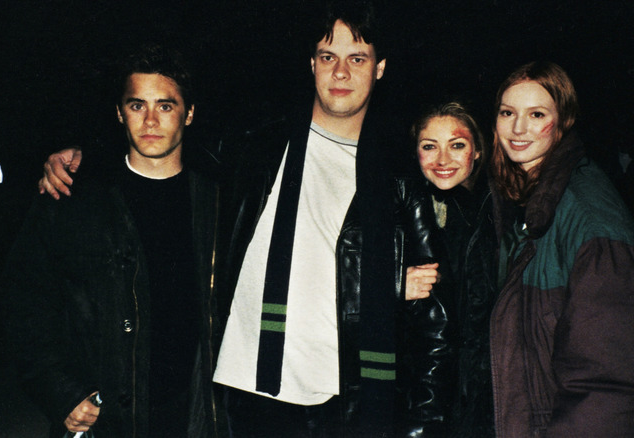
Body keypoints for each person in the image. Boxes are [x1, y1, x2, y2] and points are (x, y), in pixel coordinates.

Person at [34, 2, 451, 436]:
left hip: (340, 405)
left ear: (380, 68)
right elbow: (159, 141)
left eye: (357, 58)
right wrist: (84, 158)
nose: (341, 72)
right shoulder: (255, 150)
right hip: (240, 399)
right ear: (312, 64)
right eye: (328, 57)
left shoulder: (398, 179)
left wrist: (424, 425)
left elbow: (436, 323)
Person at [3, 45, 220, 437]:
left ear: (189, 113)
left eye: (165, 106)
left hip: (194, 418)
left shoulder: (219, 202)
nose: (150, 120)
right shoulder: (71, 198)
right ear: (120, 112)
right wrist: (61, 392)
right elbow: (23, 301)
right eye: (137, 106)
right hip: (106, 422)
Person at [489, 61, 634, 436]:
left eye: (536, 114)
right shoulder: (532, 201)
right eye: (508, 113)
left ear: (564, 120)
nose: (518, 128)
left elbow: (613, 386)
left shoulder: (591, 224)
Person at [405, 102, 497, 436]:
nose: (442, 160)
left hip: (486, 393)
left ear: (477, 152)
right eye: (429, 146)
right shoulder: (405, 217)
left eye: (456, 145)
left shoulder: (499, 214)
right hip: (428, 396)